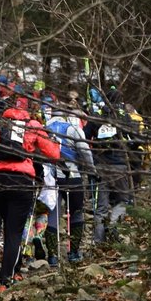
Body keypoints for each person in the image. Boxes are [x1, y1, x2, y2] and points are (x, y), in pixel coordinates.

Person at [0, 98, 60, 290]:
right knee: (13, 232)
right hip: (22, 182)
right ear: (27, 110)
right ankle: (7, 279)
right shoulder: (34, 125)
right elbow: (54, 155)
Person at [83, 88, 135, 245]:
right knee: (123, 200)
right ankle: (113, 226)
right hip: (120, 165)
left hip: (101, 167)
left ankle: (98, 242)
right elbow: (134, 138)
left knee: (101, 207)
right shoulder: (124, 117)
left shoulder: (96, 116)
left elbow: (84, 137)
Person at [45, 101, 96, 263]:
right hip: (72, 176)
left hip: (50, 178)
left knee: (53, 214)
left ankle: (52, 255)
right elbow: (85, 152)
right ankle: (73, 252)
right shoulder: (73, 129)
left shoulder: (43, 128)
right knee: (76, 211)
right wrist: (92, 170)